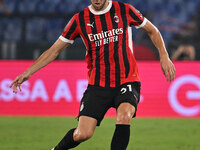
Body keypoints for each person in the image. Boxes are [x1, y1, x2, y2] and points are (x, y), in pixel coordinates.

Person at [10, 0, 176, 149]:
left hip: (127, 79)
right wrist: (28, 72)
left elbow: (152, 30)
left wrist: (164, 55)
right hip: (98, 84)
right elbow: (55, 50)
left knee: (124, 116)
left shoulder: (124, 10)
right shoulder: (79, 20)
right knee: (82, 134)